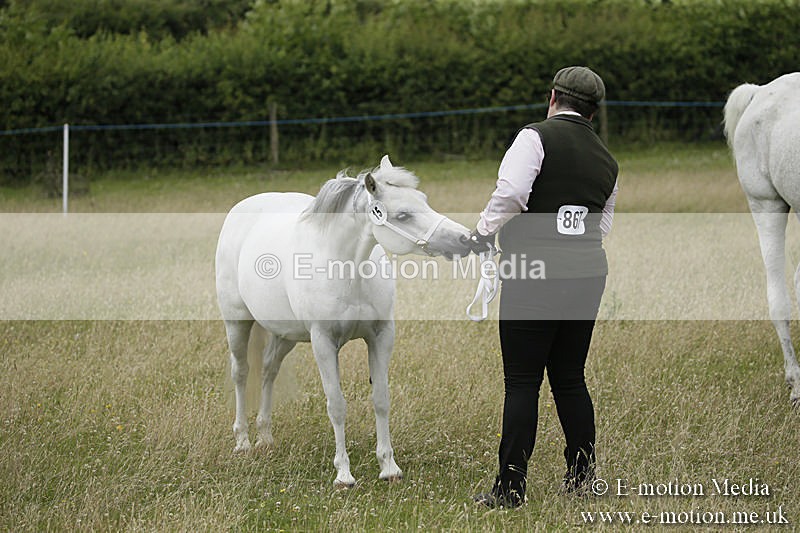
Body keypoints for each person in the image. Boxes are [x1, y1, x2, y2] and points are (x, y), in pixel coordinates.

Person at [463, 66, 619, 508]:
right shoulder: (608, 160)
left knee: (522, 381)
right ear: (593, 111)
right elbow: (601, 225)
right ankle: (582, 479)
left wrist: (482, 231)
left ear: (553, 97)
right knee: (570, 378)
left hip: (533, 272)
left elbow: (513, 193)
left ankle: (510, 488)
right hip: (588, 273)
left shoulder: (534, 137)